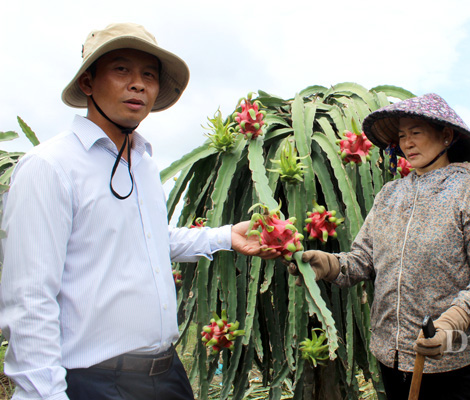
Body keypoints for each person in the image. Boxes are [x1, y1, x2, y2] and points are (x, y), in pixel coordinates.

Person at [0, 22, 276, 400]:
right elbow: (29, 298)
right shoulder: (49, 167)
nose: (138, 84)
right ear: (87, 82)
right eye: (121, 70)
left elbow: (150, 240)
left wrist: (225, 235)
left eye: (149, 75)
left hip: (165, 374)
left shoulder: (143, 162)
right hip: (91, 382)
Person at [289, 94, 470, 399]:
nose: (407, 143)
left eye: (416, 133)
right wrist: (328, 265)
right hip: (389, 357)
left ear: (446, 136)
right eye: (402, 136)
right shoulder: (389, 195)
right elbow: (363, 259)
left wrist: (451, 324)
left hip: (448, 362)